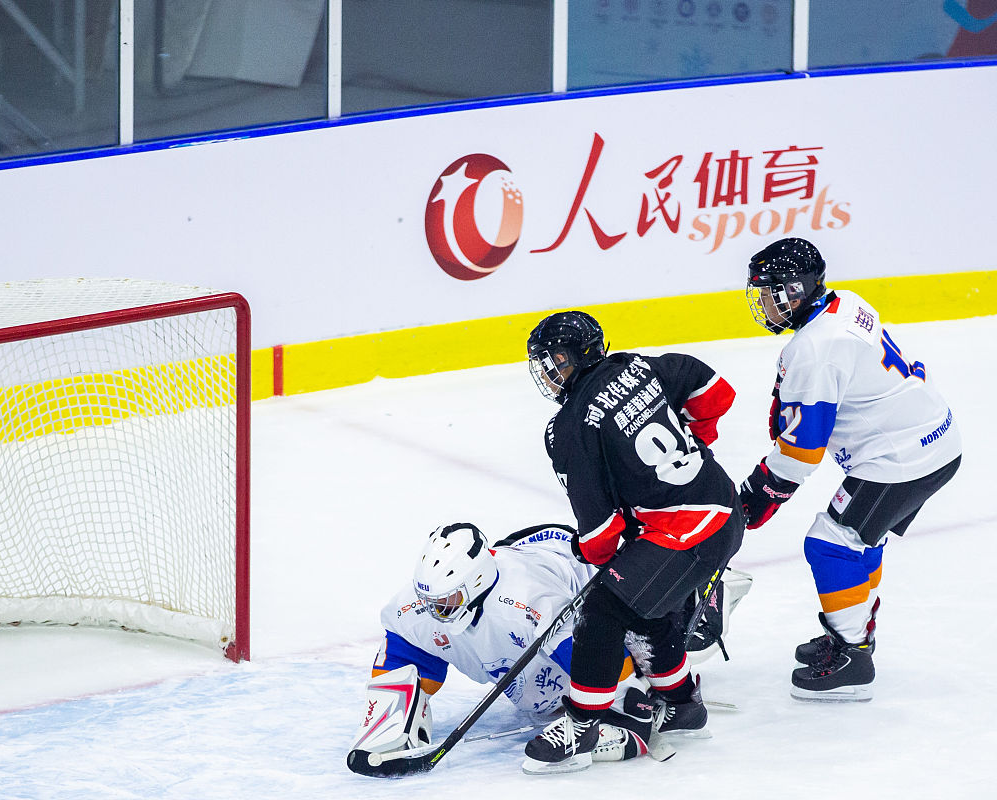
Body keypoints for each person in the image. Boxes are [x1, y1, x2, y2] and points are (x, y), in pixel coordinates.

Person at [737, 237, 962, 701]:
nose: (760, 303)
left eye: (765, 293)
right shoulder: (844, 304)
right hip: (932, 438)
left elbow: (801, 454)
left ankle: (853, 653)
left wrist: (756, 495)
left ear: (792, 292)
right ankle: (853, 629)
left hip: (901, 461)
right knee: (862, 536)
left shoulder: (816, 350)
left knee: (831, 544)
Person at [519, 311, 744, 774]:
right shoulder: (637, 366)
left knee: (605, 607)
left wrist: (594, 551)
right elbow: (715, 391)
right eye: (544, 362)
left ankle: (582, 725)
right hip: (721, 504)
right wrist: (695, 447)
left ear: (582, 354)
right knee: (644, 602)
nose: (549, 371)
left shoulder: (569, 427)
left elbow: (601, 534)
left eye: (557, 360)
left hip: (689, 531)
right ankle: (681, 703)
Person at [347, 521, 751, 764]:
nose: (434, 611)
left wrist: (621, 708)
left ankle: (703, 596)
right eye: (429, 600)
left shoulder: (528, 606)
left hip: (582, 571)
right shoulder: (417, 607)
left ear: (472, 586)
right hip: (532, 553)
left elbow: (609, 666)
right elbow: (405, 658)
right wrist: (392, 716)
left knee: (650, 643)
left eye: (446, 601)